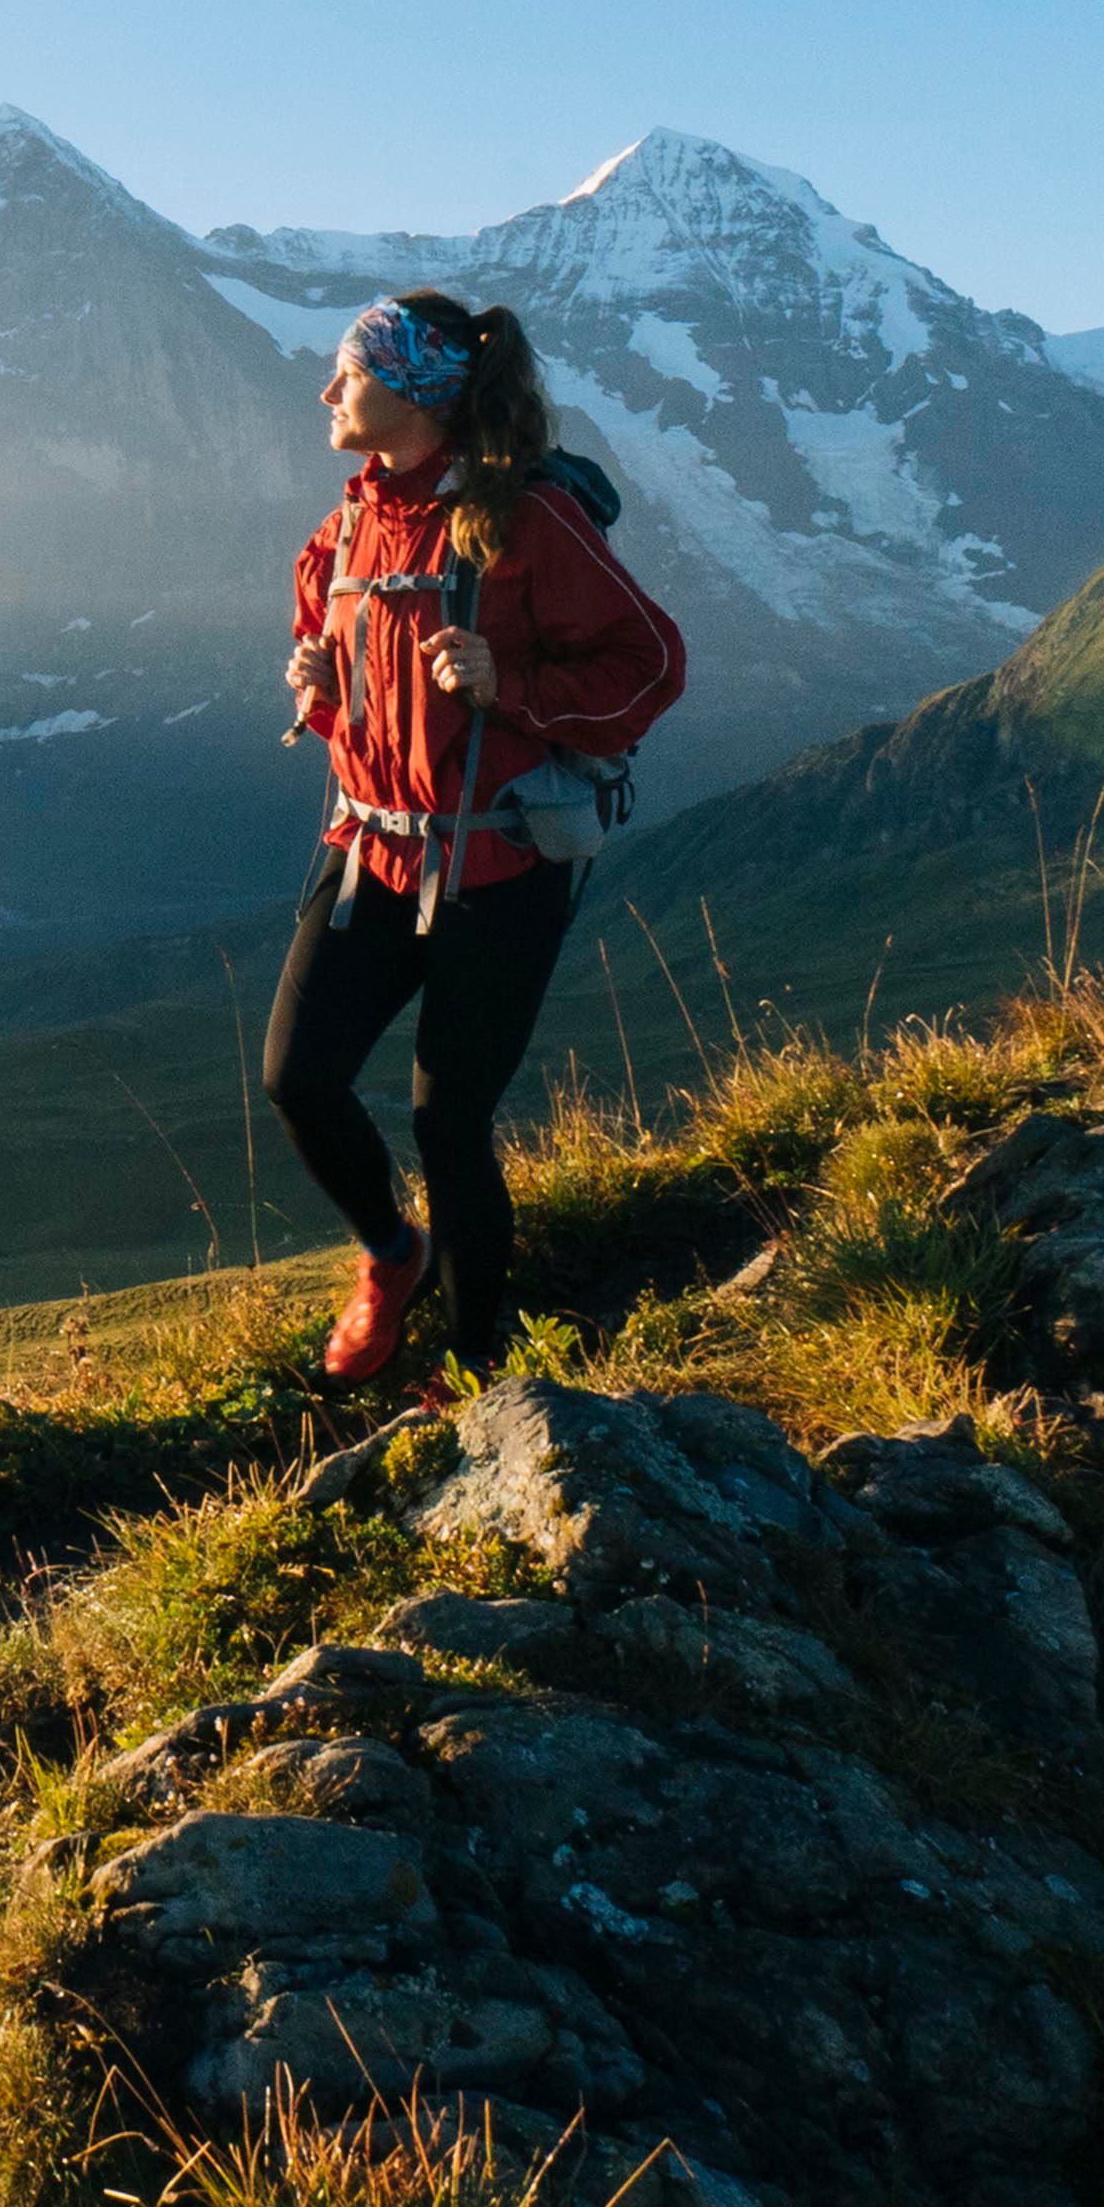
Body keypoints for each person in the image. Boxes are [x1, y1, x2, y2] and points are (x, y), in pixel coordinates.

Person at [269, 290, 689, 1388]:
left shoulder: (525, 522)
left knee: (448, 1123)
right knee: (297, 1078)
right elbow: (354, 690)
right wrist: (318, 692)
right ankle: (392, 1257)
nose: (328, 393)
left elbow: (649, 662)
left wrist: (516, 691)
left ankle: (477, 1369)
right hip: (370, 852)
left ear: (409, 393)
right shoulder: (346, 530)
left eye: (348, 376)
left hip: (500, 866)